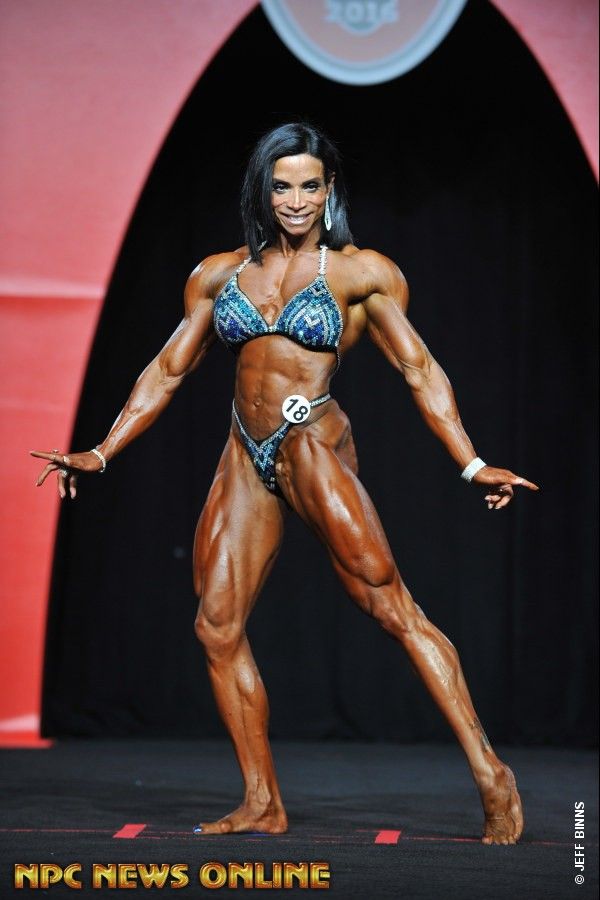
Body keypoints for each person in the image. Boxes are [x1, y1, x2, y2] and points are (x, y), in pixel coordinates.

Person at [32, 122, 538, 845]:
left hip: (312, 441)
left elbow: (419, 369)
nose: (296, 200)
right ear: (263, 192)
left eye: (309, 186)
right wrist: (103, 451)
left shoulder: (360, 274)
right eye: (282, 186)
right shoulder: (220, 275)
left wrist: (470, 461)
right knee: (216, 626)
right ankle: (262, 802)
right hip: (246, 452)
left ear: (329, 191)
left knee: (390, 606)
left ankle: (492, 774)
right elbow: (168, 370)